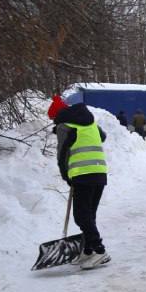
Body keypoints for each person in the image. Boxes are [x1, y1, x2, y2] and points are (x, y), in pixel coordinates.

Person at [48, 95, 111, 269]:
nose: (54, 122)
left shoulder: (64, 126)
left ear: (58, 115)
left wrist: (66, 175)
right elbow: (102, 136)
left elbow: (62, 155)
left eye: (53, 119)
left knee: (81, 216)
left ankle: (99, 251)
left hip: (83, 174)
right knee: (89, 215)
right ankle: (88, 250)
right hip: (99, 172)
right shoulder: (88, 122)